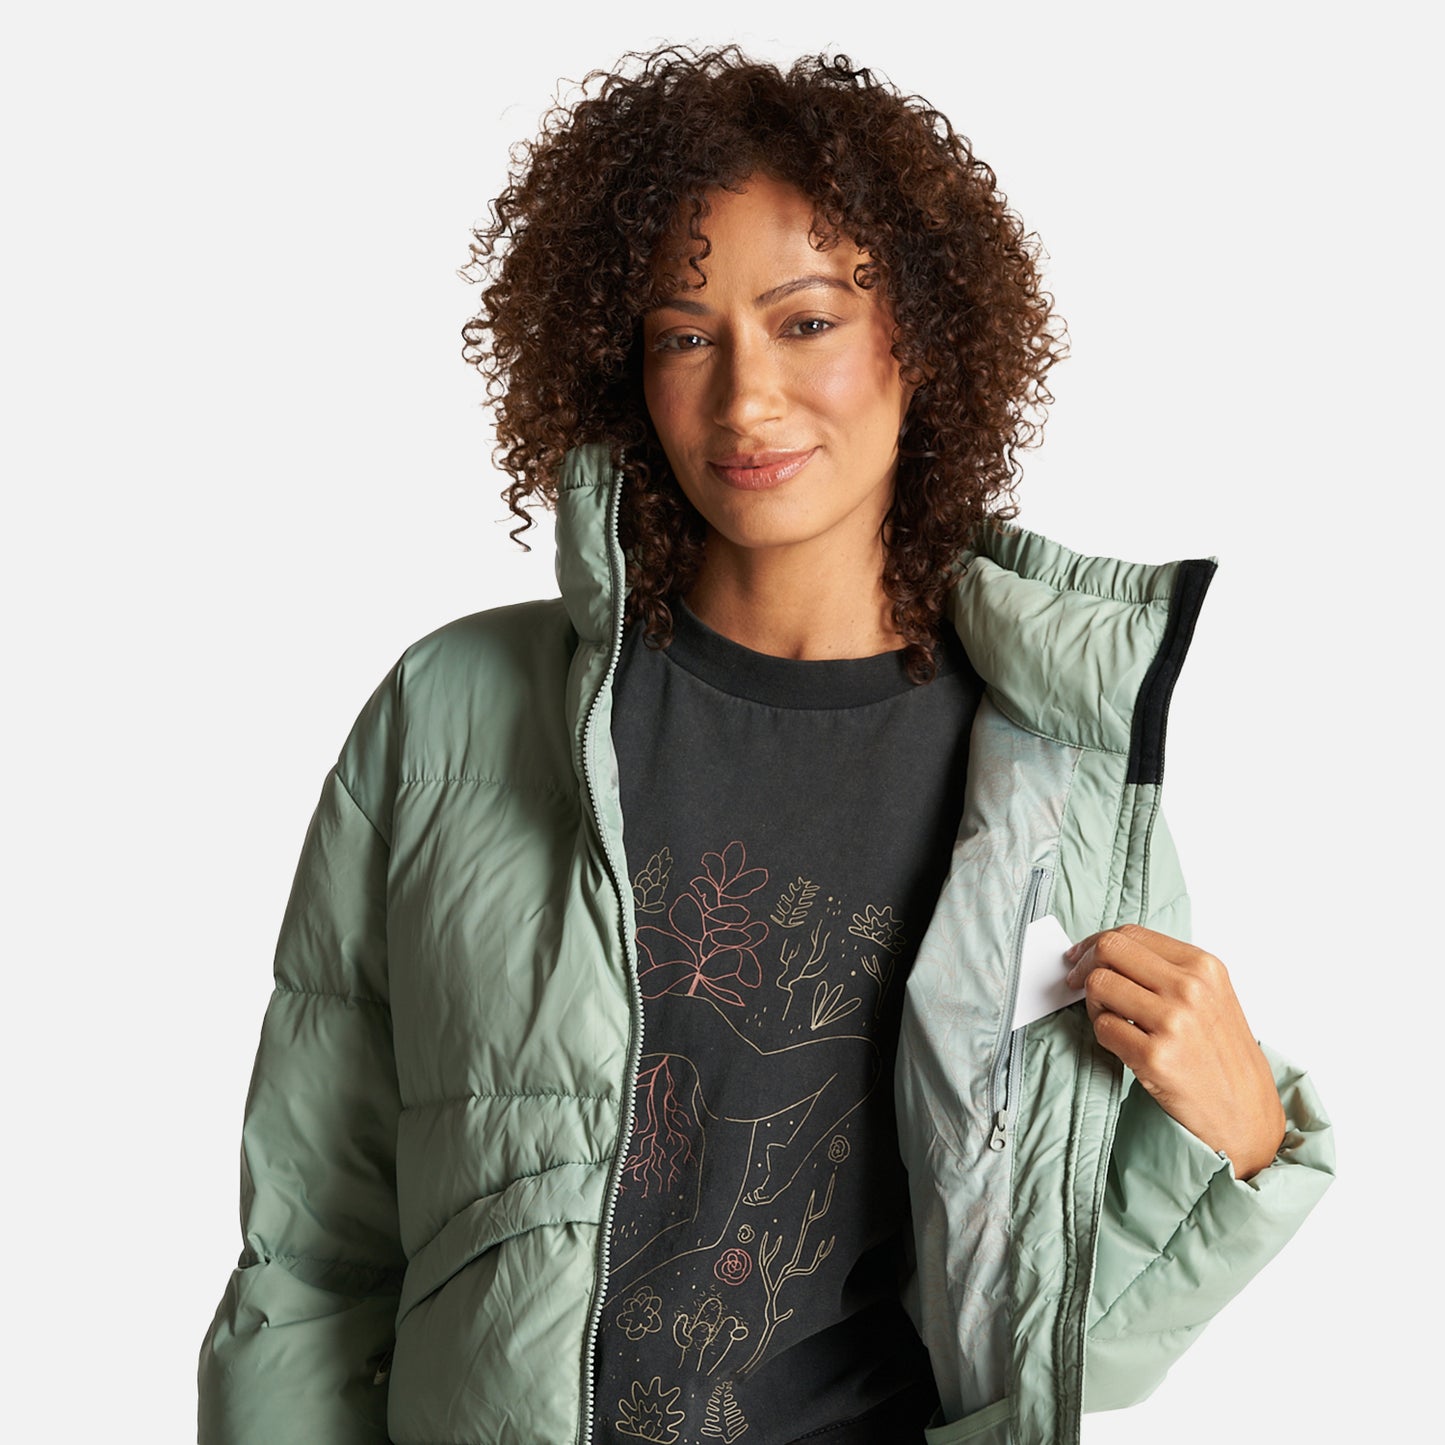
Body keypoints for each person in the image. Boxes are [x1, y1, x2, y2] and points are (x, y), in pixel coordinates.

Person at [197, 46, 1334, 1445]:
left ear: (920, 338)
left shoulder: (1057, 780)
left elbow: (1051, 1343)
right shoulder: (455, 715)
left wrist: (1243, 1147)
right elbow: (312, 1255)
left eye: (805, 323)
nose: (744, 399)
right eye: (685, 337)